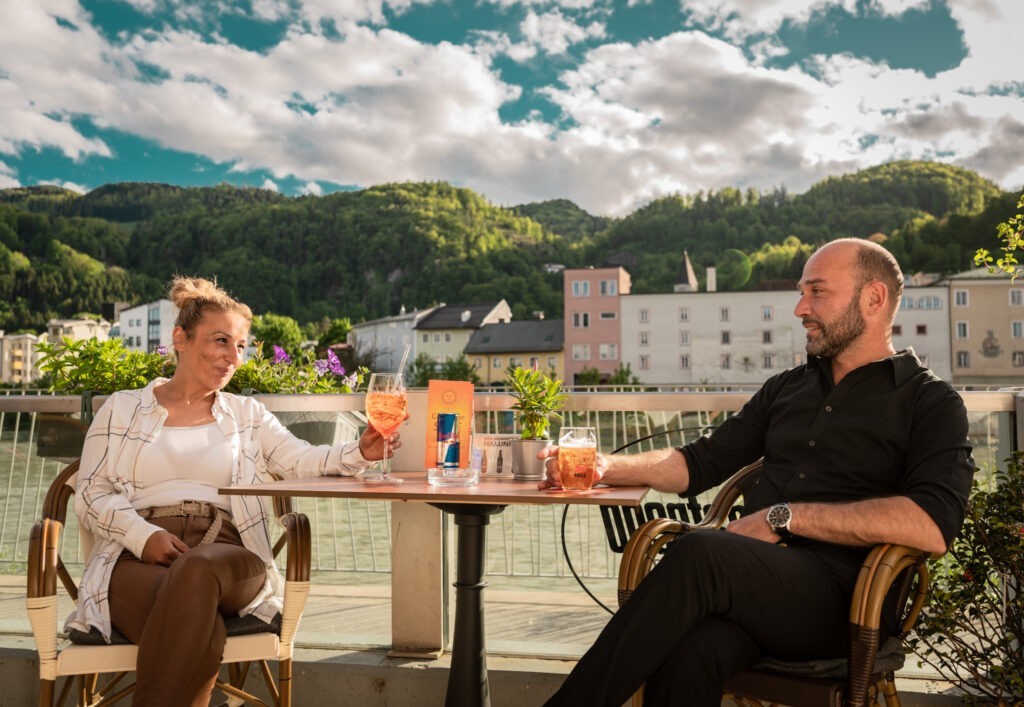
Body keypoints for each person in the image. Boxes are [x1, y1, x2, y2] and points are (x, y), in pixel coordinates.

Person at [540, 238, 975, 707]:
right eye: (800, 292)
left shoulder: (929, 402)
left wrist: (781, 518)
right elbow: (698, 463)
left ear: (873, 298)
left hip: (847, 603)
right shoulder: (787, 388)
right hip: (755, 592)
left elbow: (930, 525)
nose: (800, 308)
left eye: (816, 292)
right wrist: (605, 466)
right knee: (693, 650)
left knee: (700, 551)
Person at [66, 276, 399, 707]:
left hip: (226, 551)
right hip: (134, 555)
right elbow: (91, 491)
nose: (233, 357)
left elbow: (301, 460)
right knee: (196, 625)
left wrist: (362, 450)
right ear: (179, 339)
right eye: (221, 341)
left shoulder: (247, 415)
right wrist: (141, 536)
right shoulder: (123, 406)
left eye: (240, 346)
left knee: (196, 574)